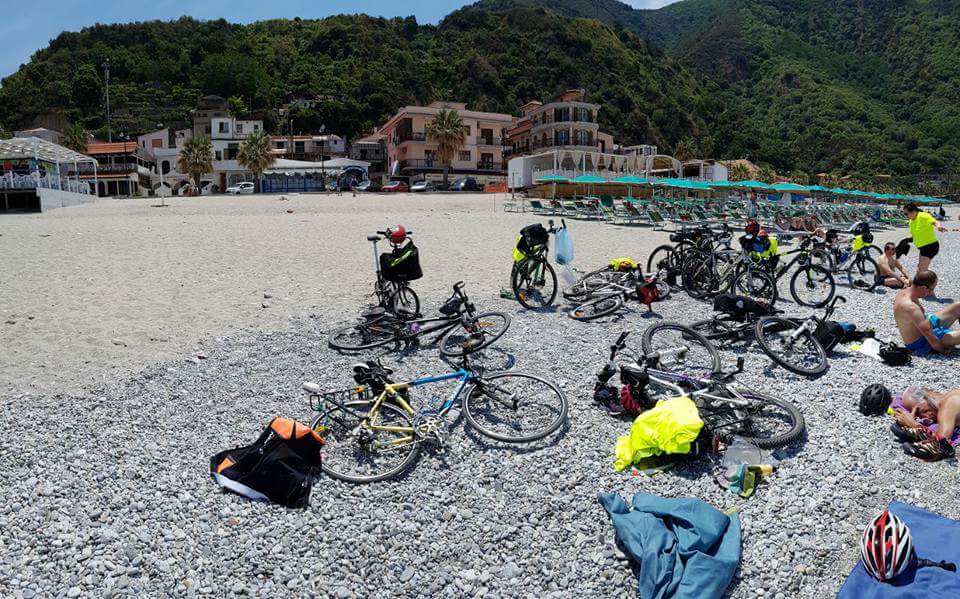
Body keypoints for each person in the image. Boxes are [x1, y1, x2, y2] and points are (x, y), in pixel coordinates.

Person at [894, 270, 960, 355]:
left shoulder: (906, 292)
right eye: (932, 289)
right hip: (923, 343)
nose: (932, 292)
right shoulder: (911, 307)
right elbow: (929, 335)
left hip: (927, 326)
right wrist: (943, 350)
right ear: (924, 288)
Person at [892, 387, 960, 460]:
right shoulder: (950, 396)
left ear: (924, 398)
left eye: (918, 411)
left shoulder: (949, 405)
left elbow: (941, 443)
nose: (923, 417)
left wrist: (913, 424)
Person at [904, 202, 946, 274]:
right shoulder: (911, 221)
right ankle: (927, 281)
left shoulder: (923, 216)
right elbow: (914, 233)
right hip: (922, 248)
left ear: (913, 211)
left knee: (921, 270)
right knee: (919, 269)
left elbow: (935, 222)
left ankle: (929, 281)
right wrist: (908, 238)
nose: (905, 216)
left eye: (906, 214)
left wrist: (939, 226)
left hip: (930, 246)